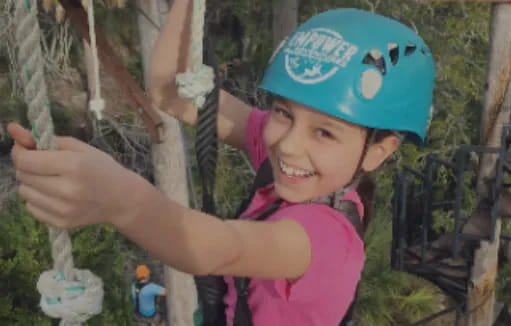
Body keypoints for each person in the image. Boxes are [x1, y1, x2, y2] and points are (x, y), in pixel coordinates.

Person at [8, 1, 435, 325]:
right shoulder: (292, 167)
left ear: (379, 151)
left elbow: (215, 248)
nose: (288, 144)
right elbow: (173, 93)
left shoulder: (327, 240)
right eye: (283, 112)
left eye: (324, 132)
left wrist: (119, 199)